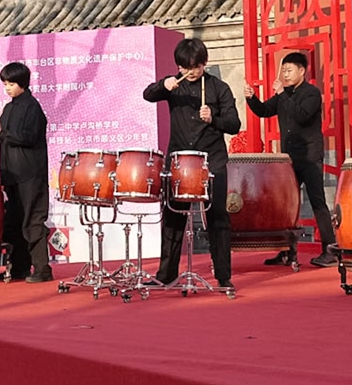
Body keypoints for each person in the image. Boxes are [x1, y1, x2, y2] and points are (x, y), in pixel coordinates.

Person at [143, 37, 242, 293]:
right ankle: (166, 274)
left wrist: (213, 119)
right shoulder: (174, 85)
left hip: (212, 161)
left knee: (217, 217)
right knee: (173, 217)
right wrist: (163, 85)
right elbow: (148, 95)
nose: (190, 72)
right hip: (180, 161)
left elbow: (234, 124)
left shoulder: (219, 88)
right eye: (184, 67)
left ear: (203, 63)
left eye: (195, 67)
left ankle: (223, 276)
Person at [245, 51, 335, 268]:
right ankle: (287, 251)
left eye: (289, 70)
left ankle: (330, 250)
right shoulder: (284, 94)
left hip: (310, 157)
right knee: (286, 205)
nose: (285, 74)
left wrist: (282, 95)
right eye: (283, 70)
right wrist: (251, 98)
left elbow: (301, 116)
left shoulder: (312, 93)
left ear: (302, 71)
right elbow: (264, 111)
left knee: (317, 202)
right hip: (289, 158)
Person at [0, 61, 51, 283]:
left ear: (22, 83)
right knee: (14, 223)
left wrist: (1, 132)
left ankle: (42, 269)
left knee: (33, 222)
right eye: (5, 84)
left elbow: (27, 137)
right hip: (13, 175)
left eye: (11, 84)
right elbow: (2, 135)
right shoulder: (9, 108)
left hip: (30, 174)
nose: (7, 88)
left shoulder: (32, 107)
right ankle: (19, 267)